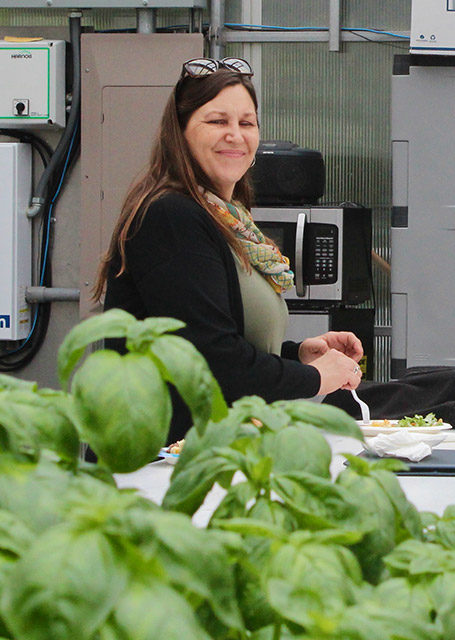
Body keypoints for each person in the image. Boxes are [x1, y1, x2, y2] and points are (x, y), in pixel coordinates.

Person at [92, 57, 363, 445]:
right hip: (159, 462)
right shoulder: (172, 216)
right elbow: (213, 360)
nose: (235, 135)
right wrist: (317, 378)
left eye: (246, 123)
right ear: (180, 132)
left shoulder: (226, 218)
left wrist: (297, 354)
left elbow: (219, 336)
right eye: (217, 121)